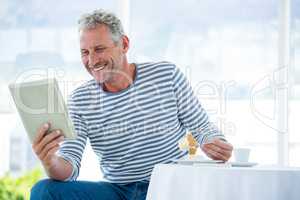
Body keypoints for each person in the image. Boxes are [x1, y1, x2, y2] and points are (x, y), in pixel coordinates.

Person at [30, 9, 233, 200]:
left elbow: (201, 127)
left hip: (167, 186)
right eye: (85, 52)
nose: (92, 60)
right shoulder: (80, 100)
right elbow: (69, 166)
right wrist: (49, 161)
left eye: (99, 49)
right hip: (117, 191)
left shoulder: (166, 75)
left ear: (124, 44)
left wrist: (214, 143)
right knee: (44, 191)